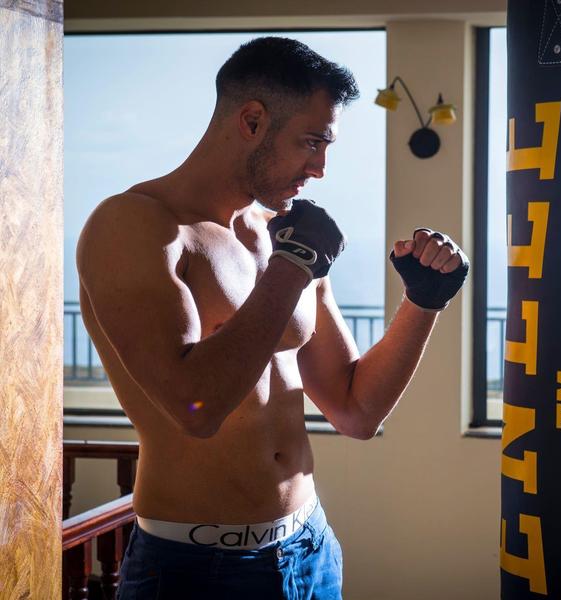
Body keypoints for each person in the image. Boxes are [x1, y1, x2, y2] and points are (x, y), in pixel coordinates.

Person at [76, 36, 469, 600]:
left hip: (310, 547)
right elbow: (197, 408)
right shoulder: (138, 228)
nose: (321, 167)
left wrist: (425, 301)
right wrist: (294, 267)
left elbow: (355, 410)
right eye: (312, 142)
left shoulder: (280, 236)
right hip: (197, 567)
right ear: (253, 120)